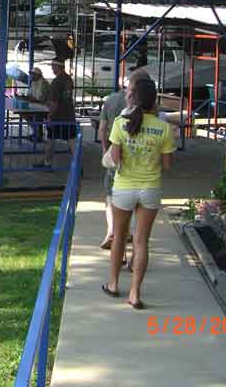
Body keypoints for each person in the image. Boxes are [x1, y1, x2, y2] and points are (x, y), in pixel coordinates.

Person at [102, 78, 176, 309]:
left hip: (124, 187)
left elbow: (115, 159)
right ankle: (135, 294)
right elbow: (167, 165)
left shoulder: (120, 123)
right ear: (154, 100)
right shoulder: (164, 128)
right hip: (150, 188)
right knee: (142, 241)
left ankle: (114, 284)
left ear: (134, 98)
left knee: (119, 237)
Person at [98, 69, 151, 250]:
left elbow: (102, 128)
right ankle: (130, 236)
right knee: (137, 205)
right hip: (142, 168)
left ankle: (112, 231)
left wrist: (105, 148)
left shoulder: (112, 101)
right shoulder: (151, 108)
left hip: (117, 159)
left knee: (110, 196)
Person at [40, 58, 76, 168]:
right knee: (71, 140)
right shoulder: (69, 79)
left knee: (51, 140)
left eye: (53, 66)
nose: (52, 68)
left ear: (58, 67)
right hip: (69, 115)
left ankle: (47, 162)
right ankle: (78, 164)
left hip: (57, 116)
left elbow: (54, 102)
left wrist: (49, 116)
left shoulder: (56, 82)